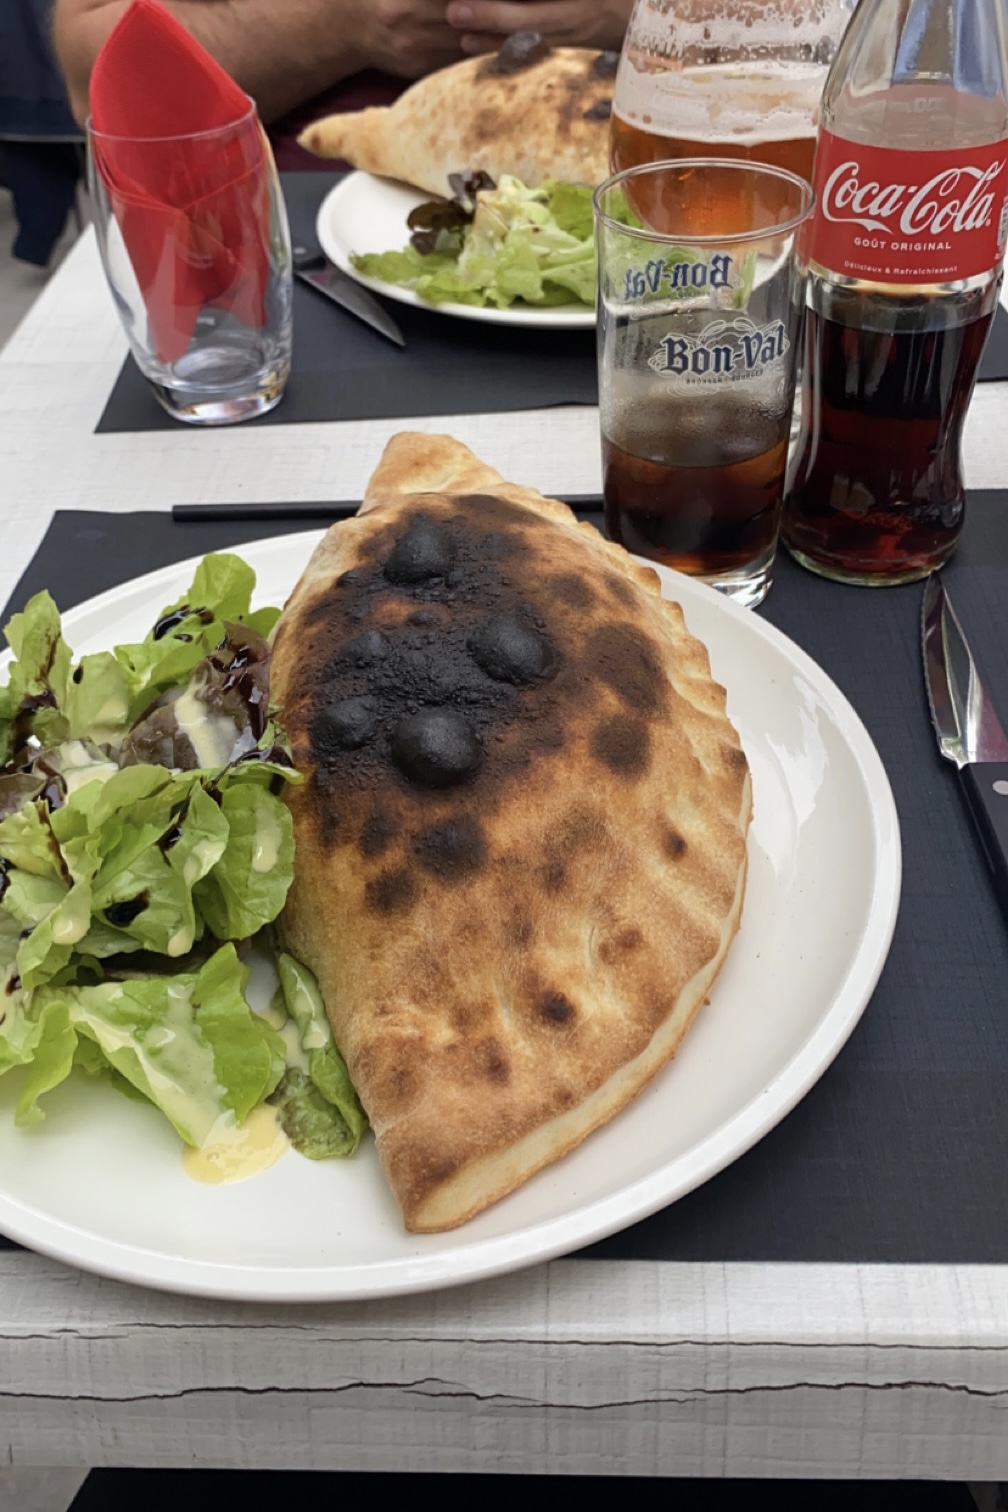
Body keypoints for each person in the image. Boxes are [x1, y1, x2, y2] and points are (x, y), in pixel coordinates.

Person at [52, 0, 635, 132]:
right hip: (292, 271)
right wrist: (338, 22)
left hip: (664, 238)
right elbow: (95, 81)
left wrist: (643, 13)